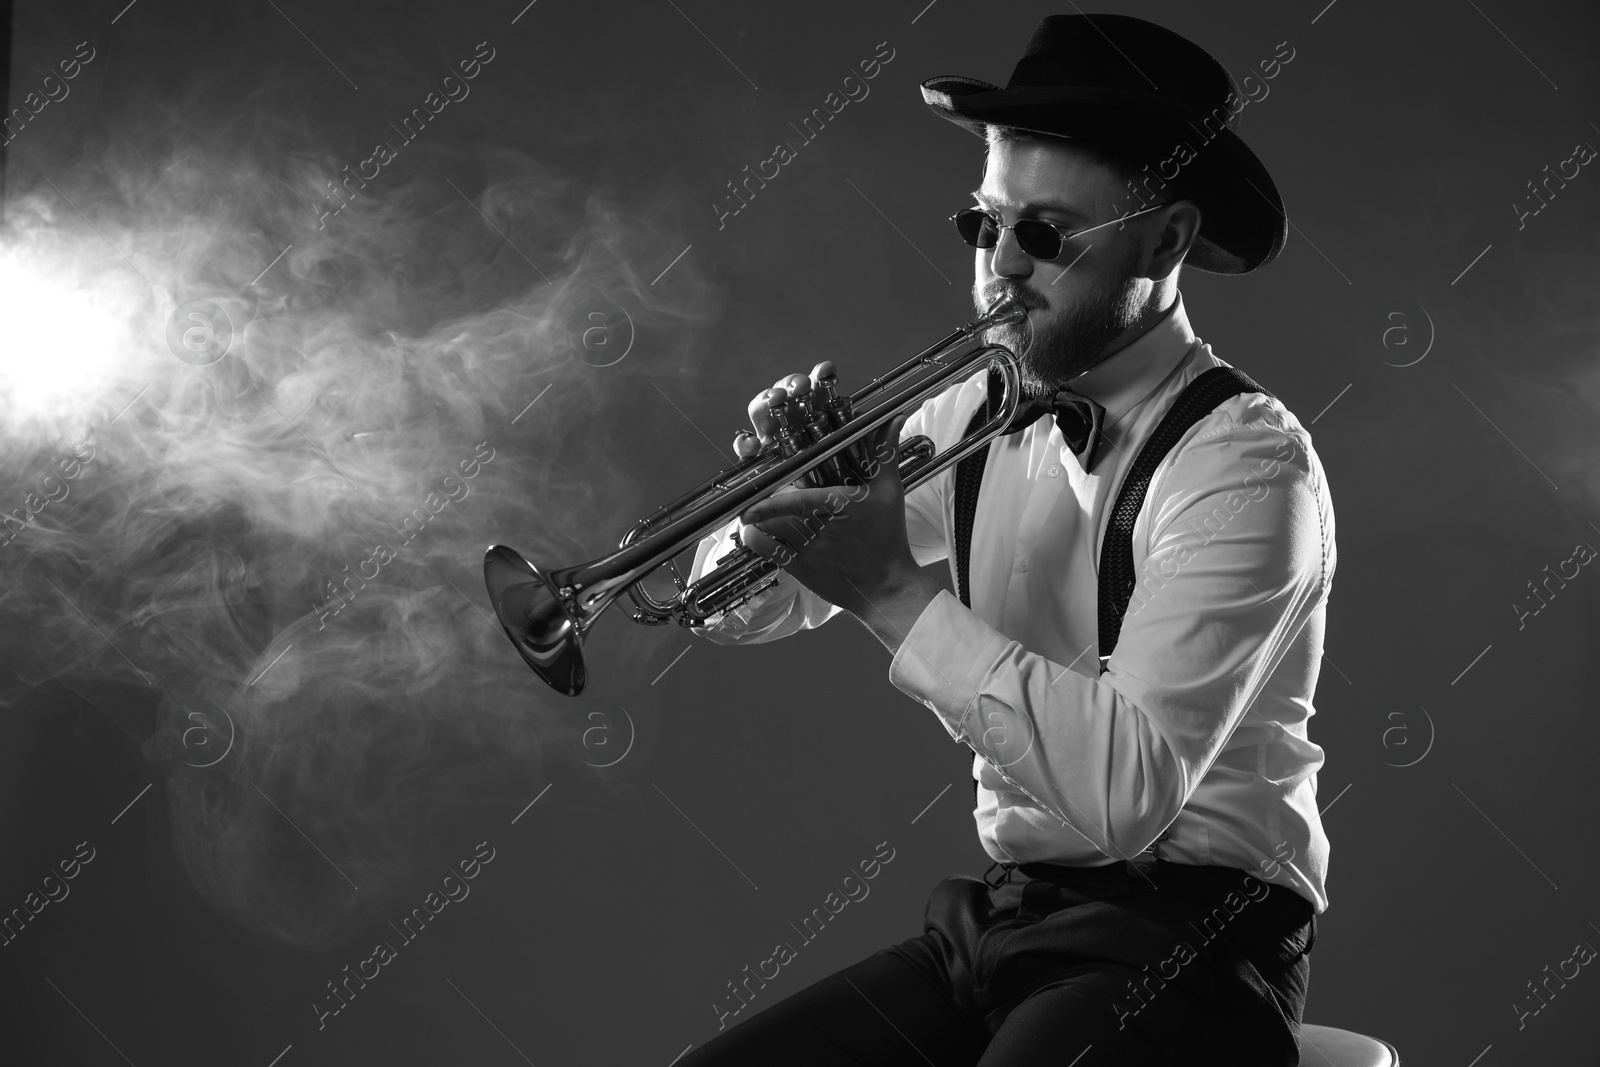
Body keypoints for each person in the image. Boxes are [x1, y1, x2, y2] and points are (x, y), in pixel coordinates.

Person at [680, 13, 1335, 1066]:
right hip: (1000, 918)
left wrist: (890, 591)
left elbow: (1131, 794)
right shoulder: (972, 408)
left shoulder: (1247, 462)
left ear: (1164, 241)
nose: (1000, 271)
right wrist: (775, 503)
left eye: (1044, 235)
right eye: (983, 227)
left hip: (1196, 942)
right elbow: (731, 616)